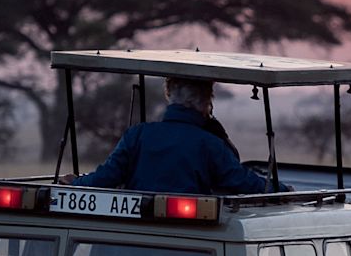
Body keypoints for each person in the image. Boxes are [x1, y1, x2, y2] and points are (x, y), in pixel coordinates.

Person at [70, 76, 275, 195]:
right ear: (206, 103)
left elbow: (107, 176)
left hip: (135, 241)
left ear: (169, 95)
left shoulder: (137, 135)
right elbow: (241, 181)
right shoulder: (211, 145)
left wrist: (73, 184)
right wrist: (281, 190)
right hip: (191, 243)